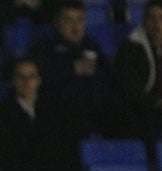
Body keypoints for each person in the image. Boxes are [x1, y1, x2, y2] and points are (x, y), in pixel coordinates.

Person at [0, 58, 83, 171]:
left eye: (31, 77)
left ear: (39, 80)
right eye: (21, 77)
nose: (27, 82)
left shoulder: (54, 110)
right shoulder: (0, 113)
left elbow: (65, 145)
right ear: (14, 81)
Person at [28, 0, 120, 139]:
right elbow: (37, 78)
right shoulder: (44, 48)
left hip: (95, 110)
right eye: (68, 20)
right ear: (57, 23)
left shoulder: (92, 46)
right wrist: (72, 69)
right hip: (61, 112)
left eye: (80, 20)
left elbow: (110, 77)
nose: (75, 26)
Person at [115, 0, 162, 141]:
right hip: (143, 108)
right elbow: (129, 88)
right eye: (151, 18)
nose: (156, 24)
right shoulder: (129, 48)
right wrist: (160, 104)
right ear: (144, 21)